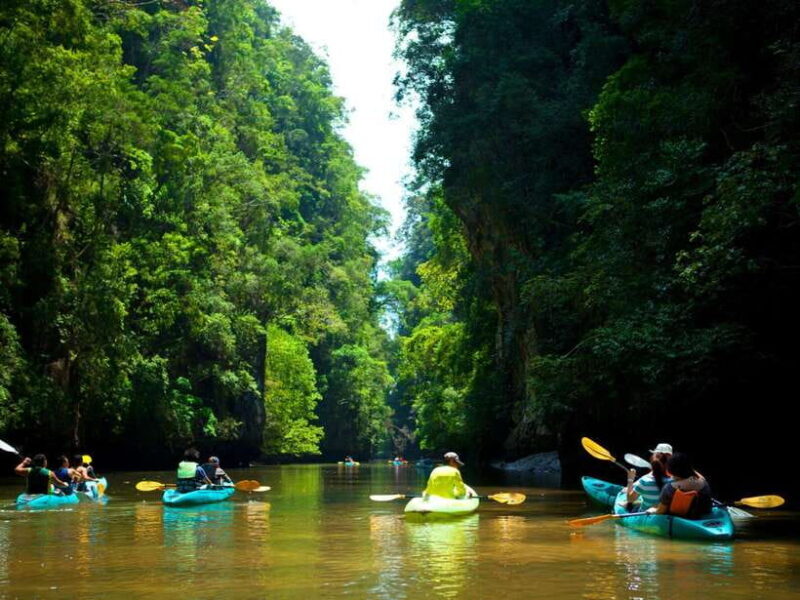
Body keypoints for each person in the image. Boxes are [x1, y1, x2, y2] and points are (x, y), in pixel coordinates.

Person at [647, 452, 712, 519]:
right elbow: (696, 475)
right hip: (702, 517)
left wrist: (653, 510)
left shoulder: (668, 488)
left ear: (670, 470)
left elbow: (661, 512)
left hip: (680, 520)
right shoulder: (704, 483)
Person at [626, 443, 672, 509]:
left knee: (629, 503)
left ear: (653, 457)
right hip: (663, 515)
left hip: (645, 515)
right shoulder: (674, 481)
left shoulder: (644, 481)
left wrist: (630, 480)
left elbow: (630, 499)